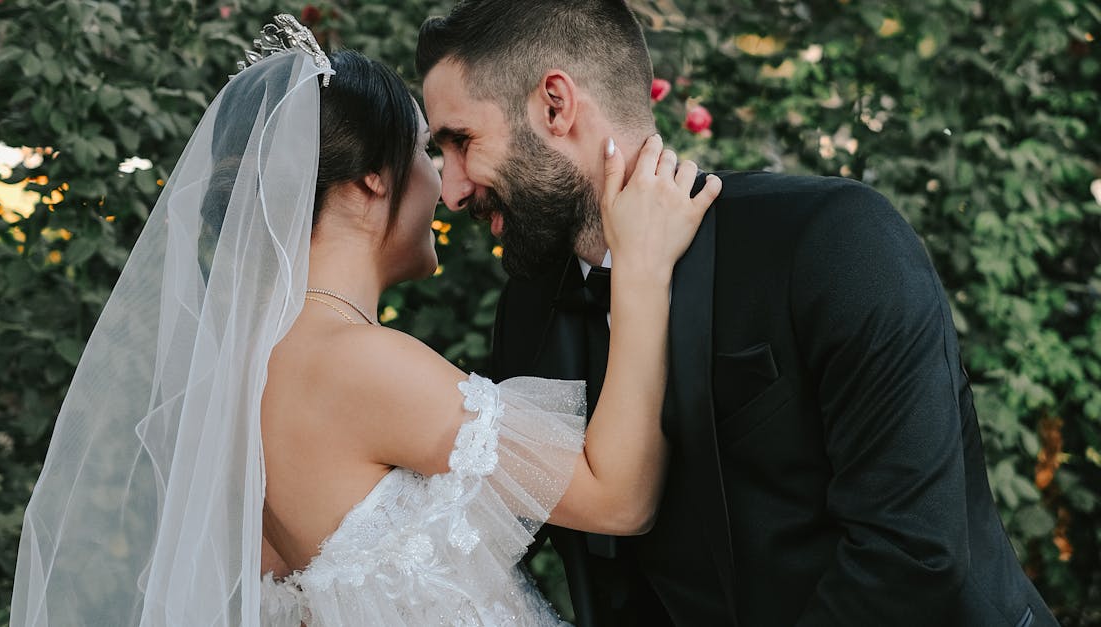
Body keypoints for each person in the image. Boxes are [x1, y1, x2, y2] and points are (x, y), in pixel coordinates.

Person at [10, 14, 721, 627]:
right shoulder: (353, 362)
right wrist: (644, 269)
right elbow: (619, 498)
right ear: (371, 179)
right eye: (425, 151)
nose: (448, 190)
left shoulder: (249, 375)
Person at [416, 1, 1059, 626]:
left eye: (462, 141)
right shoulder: (527, 314)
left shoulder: (833, 242)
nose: (451, 189)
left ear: (555, 105)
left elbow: (912, 554)